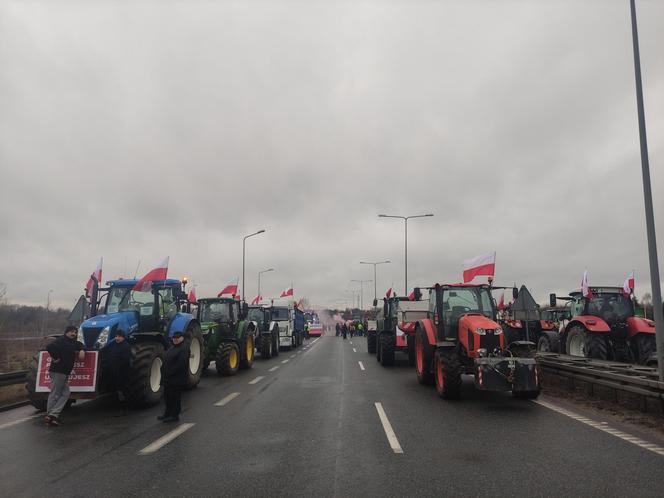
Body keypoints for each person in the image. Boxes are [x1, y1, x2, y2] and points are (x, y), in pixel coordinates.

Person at [45, 325, 85, 426]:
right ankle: (50, 415)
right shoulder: (61, 340)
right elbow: (49, 347)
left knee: (66, 393)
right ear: (66, 332)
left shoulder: (72, 342)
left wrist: (82, 350)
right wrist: (56, 357)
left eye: (75, 332)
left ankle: (52, 415)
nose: (73, 334)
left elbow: (80, 345)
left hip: (64, 372)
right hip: (58, 371)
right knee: (55, 393)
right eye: (71, 332)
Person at [159, 331, 189, 423]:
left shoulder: (183, 349)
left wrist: (170, 372)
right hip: (168, 378)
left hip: (176, 379)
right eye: (174, 338)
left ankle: (174, 415)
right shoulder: (172, 347)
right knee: (167, 397)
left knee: (175, 398)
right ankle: (167, 413)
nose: (175, 339)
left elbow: (181, 364)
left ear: (182, 338)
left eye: (177, 338)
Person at [106, 329, 131, 415]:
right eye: (116, 336)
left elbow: (125, 360)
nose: (117, 338)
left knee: (122, 391)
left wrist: (116, 368)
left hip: (122, 373)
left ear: (123, 337)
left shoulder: (126, 346)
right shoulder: (114, 345)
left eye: (119, 336)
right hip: (114, 372)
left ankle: (124, 409)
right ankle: (119, 406)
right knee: (117, 390)